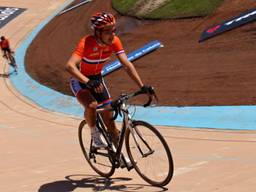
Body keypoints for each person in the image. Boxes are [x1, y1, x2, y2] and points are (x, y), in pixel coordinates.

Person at [66, 12, 152, 166]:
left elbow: (126, 64)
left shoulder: (115, 42)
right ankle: (94, 133)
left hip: (97, 79)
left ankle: (119, 155)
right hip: (80, 80)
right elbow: (70, 66)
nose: (112, 34)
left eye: (114, 29)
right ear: (97, 32)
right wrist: (86, 81)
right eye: (107, 31)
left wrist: (142, 86)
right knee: (91, 105)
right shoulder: (86, 42)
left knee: (110, 121)